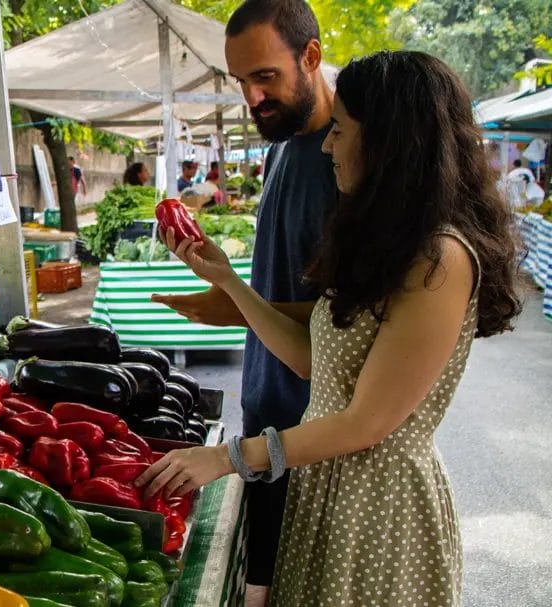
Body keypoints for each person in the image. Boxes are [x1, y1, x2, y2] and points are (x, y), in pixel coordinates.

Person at [140, 50, 521, 606]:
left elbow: (365, 422)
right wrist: (229, 282)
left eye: (340, 129)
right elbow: (312, 359)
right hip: (328, 490)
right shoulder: (384, 240)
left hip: (379, 511)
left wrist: (225, 458)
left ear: (390, 143)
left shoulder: (439, 260)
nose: (327, 144)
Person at [153, 2, 337, 603]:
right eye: (241, 82)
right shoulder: (283, 145)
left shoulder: (351, 163)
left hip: (317, 435)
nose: (253, 98)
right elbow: (286, 286)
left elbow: (349, 325)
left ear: (311, 57)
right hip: (265, 409)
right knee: (261, 585)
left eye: (266, 77)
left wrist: (236, 300)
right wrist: (227, 292)